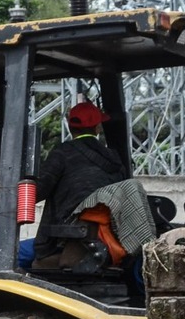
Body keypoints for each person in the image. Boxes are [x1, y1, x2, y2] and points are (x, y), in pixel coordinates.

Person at [31, 100, 129, 259]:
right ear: (97, 128)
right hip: (107, 239)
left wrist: (5, 200)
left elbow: (38, 191)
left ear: (69, 127)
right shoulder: (115, 160)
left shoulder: (62, 153)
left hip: (62, 241)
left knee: (18, 254)